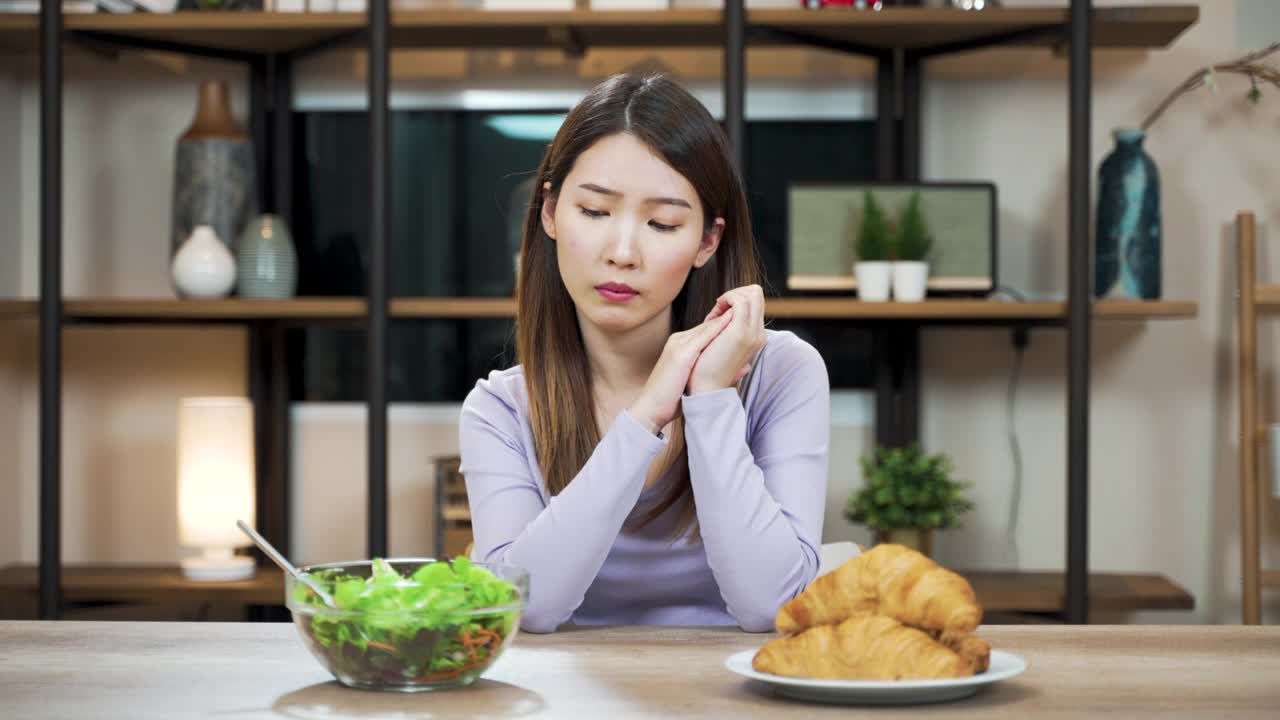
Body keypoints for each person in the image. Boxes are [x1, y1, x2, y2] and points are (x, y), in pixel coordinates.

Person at [459, 73, 831, 633]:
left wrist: (710, 398)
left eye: (662, 223)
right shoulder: (500, 409)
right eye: (595, 212)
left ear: (707, 241)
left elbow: (770, 607)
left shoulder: (782, 374)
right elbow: (523, 608)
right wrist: (646, 415)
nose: (623, 252)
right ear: (550, 213)